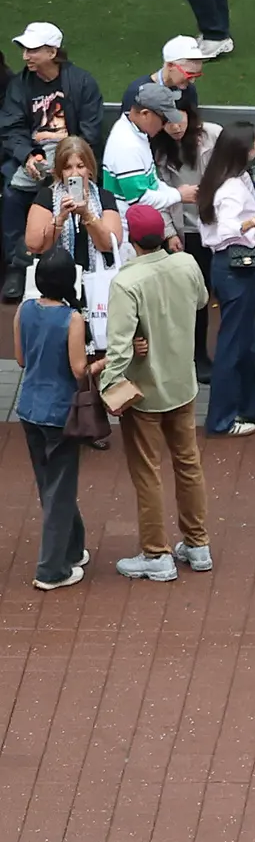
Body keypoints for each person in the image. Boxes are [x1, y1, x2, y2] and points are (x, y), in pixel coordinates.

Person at [97, 200, 211, 583]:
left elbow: (118, 346)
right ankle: (197, 544)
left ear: (132, 240)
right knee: (188, 463)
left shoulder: (127, 282)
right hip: (183, 382)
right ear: (162, 235)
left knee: (147, 472)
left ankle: (156, 552)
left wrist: (108, 386)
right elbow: (199, 302)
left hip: (144, 390)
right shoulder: (186, 263)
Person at [18, 252, 91, 590]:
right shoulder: (72, 318)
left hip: (29, 407)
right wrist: (101, 365)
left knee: (50, 484)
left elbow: (20, 359)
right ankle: (51, 570)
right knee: (60, 490)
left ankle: (73, 548)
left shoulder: (24, 310)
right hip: (60, 412)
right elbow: (79, 370)